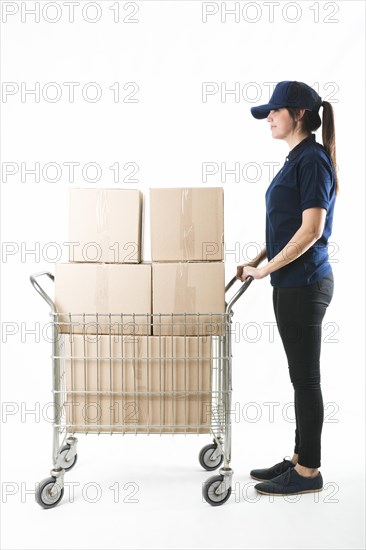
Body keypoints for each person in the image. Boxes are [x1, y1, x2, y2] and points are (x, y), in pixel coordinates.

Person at [237, 81, 337, 496]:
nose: (269, 119)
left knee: (306, 380)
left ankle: (309, 471)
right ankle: (299, 457)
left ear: (298, 114)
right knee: (300, 379)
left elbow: (311, 231)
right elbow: (289, 228)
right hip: (289, 279)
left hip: (305, 282)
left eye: (275, 111)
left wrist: (268, 270)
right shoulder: (297, 158)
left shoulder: (311, 160)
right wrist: (258, 261)